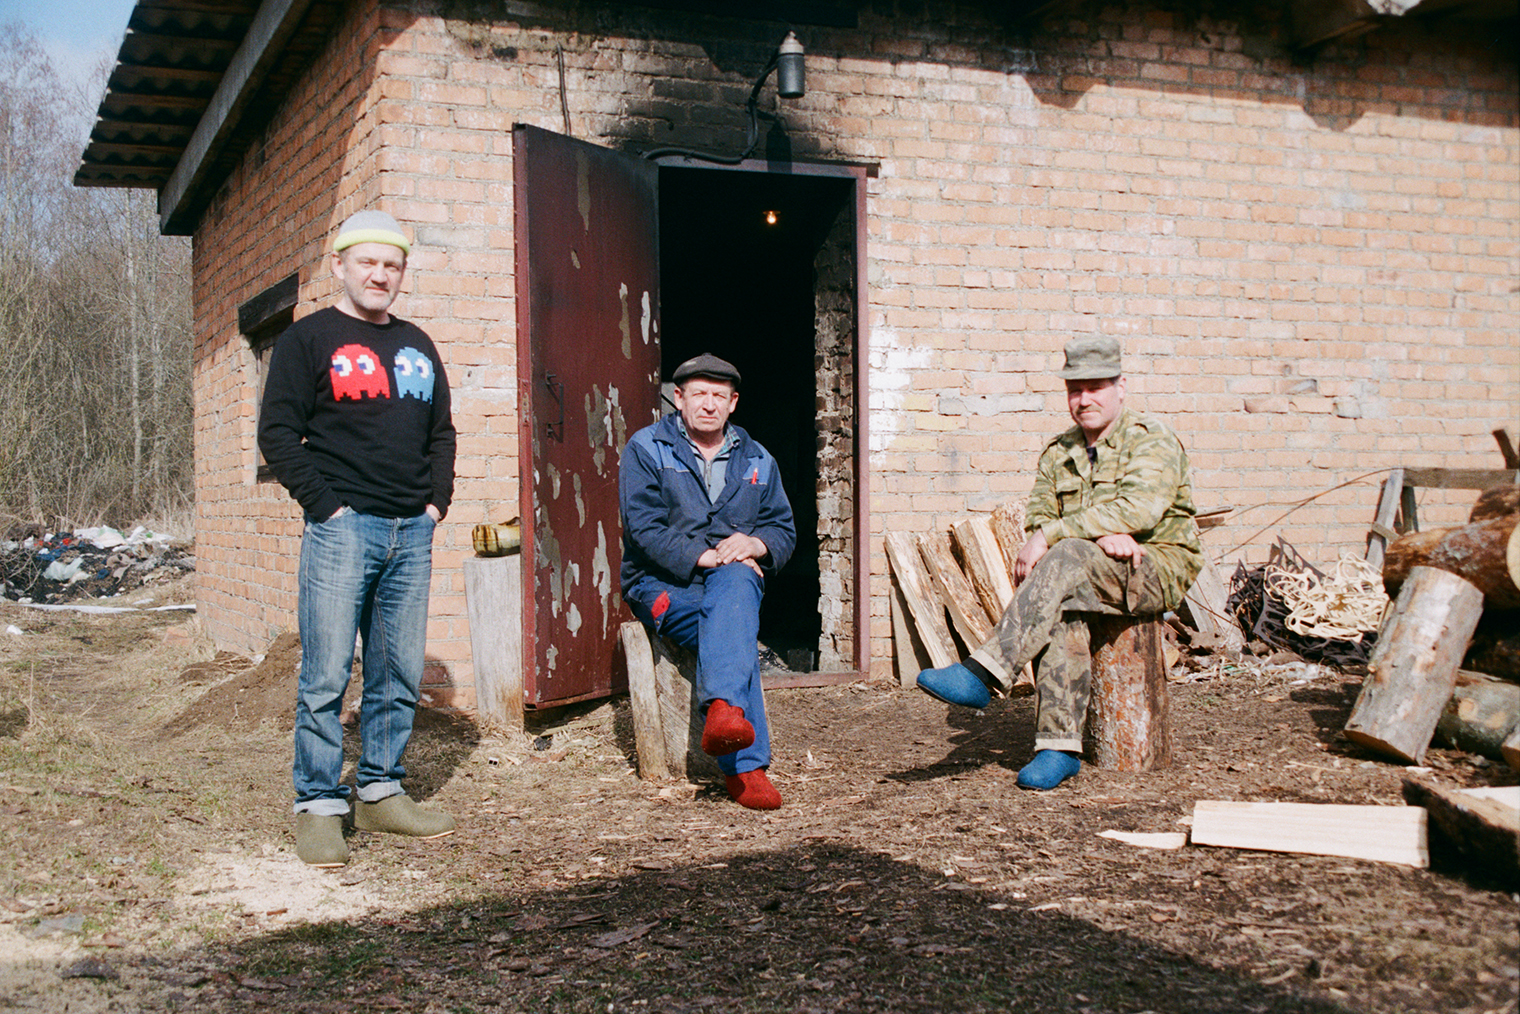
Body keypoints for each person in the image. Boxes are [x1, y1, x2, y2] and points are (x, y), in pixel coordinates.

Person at [258, 209, 458, 866]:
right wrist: (328, 509)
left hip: (412, 532)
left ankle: (378, 791)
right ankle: (318, 803)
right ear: (340, 265)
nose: (380, 274)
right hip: (344, 530)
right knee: (325, 673)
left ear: (402, 273)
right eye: (367, 262)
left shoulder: (418, 344)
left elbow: (441, 434)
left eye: (391, 265)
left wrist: (435, 505)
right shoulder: (307, 340)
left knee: (396, 671)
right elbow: (278, 435)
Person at [915, 336, 1202, 791]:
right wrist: (1086, 534)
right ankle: (1059, 747)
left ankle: (984, 673)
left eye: (1096, 388)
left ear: (1121, 386)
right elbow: (1040, 515)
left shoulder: (1151, 440)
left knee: (1065, 554)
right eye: (1075, 389)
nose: (1083, 399)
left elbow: (1139, 511)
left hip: (1157, 564)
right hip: (1093, 569)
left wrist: (1063, 533)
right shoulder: (1058, 451)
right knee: (1062, 599)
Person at [618, 353, 797, 810]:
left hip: (730, 587)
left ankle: (723, 716)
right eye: (699, 393)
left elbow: (782, 528)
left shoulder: (758, 459)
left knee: (737, 582)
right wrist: (708, 556)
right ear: (678, 398)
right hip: (662, 586)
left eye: (720, 396)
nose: (709, 404)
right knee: (732, 628)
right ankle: (746, 766)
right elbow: (644, 527)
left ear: (733, 403)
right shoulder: (646, 448)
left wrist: (756, 547)